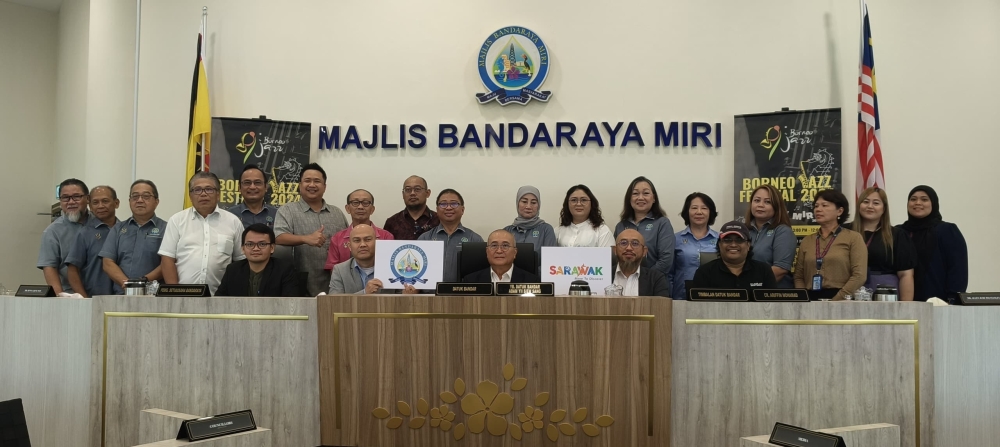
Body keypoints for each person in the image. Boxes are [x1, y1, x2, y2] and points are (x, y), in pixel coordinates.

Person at [159, 172, 246, 295]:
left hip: (221, 297)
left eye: (209, 189)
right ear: (190, 196)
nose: (203, 194)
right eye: (197, 190)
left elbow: (241, 262)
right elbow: (167, 259)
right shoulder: (177, 220)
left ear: (218, 194)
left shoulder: (233, 222)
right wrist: (175, 294)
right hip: (183, 296)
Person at [273, 163, 349, 296]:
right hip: (301, 280)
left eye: (317, 181)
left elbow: (347, 241)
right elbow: (279, 237)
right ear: (300, 185)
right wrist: (305, 238)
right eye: (307, 180)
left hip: (335, 281)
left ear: (324, 187)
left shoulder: (337, 213)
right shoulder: (287, 210)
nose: (312, 185)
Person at [794, 189, 867, 300]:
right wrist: (804, 298)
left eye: (824, 205)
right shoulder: (807, 240)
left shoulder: (853, 238)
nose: (818, 209)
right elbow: (798, 276)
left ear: (839, 211)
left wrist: (837, 300)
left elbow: (859, 275)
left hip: (841, 298)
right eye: (816, 206)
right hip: (810, 299)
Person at [899, 185, 968, 302]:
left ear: (933, 203)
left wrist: (952, 299)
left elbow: (957, 269)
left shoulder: (946, 230)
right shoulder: (899, 232)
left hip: (939, 302)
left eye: (924, 199)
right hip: (902, 301)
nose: (918, 203)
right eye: (913, 199)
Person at [100, 180, 167, 294]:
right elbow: (107, 262)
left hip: (154, 295)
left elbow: (167, 263)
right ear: (129, 201)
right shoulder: (118, 229)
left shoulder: (166, 228)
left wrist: (141, 282)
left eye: (146, 196)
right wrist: (128, 285)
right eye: (135, 196)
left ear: (156, 202)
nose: (139, 200)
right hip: (122, 294)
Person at [851, 187, 917, 301]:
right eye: (865, 202)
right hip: (849, 289)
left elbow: (905, 275)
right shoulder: (845, 231)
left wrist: (906, 306)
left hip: (885, 292)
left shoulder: (897, 235)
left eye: (876, 203)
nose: (870, 206)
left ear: (884, 208)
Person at [614, 176, 676, 288]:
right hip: (623, 283)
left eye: (646, 193)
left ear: (654, 198)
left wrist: (646, 279)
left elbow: (666, 260)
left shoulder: (662, 223)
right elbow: (616, 257)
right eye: (635, 193)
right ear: (629, 199)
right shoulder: (621, 226)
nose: (640, 198)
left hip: (653, 284)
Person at [215, 224, 305, 297]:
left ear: (272, 248)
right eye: (250, 244)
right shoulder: (233, 270)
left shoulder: (285, 270)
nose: (256, 249)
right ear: (243, 249)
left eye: (262, 244)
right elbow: (219, 301)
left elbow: (290, 304)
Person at [691, 221, 777, 294]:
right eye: (727, 240)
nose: (733, 245)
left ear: (748, 245)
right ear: (719, 245)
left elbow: (772, 305)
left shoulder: (764, 271)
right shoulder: (704, 272)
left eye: (739, 240)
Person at [37, 178, 91, 294]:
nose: (71, 202)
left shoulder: (101, 224)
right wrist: (60, 297)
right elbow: (49, 267)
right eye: (65, 198)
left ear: (87, 199)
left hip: (103, 295)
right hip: (71, 296)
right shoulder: (52, 232)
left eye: (76, 197)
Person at [329, 224, 417, 294]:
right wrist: (364, 293)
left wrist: (406, 295)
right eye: (357, 240)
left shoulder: (393, 267)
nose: (362, 244)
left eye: (367, 239)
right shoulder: (339, 270)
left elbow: (399, 297)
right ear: (349, 246)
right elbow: (334, 303)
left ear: (377, 242)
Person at [418, 189, 483, 283]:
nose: (448, 208)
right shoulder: (425, 239)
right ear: (437, 210)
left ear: (462, 210)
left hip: (463, 292)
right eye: (443, 204)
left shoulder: (475, 239)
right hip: (431, 292)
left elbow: (480, 274)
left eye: (454, 204)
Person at [65, 186, 119, 297]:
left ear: (116, 203)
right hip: (94, 298)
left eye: (105, 201)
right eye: (95, 202)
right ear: (90, 206)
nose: (100, 206)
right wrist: (84, 300)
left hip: (124, 297)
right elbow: (72, 270)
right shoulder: (84, 233)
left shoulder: (126, 231)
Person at [324, 189, 394, 270]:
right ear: (347, 208)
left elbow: (389, 267)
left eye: (365, 203)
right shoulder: (337, 238)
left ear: (372, 209)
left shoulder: (386, 237)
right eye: (355, 202)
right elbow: (333, 269)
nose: (360, 207)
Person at [743, 185, 797, 288]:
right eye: (757, 200)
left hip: (773, 293)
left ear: (776, 206)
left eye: (767, 202)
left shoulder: (783, 231)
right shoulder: (744, 230)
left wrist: (750, 285)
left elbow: (780, 270)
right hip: (746, 291)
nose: (760, 205)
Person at [670, 192, 719, 300]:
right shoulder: (675, 239)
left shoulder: (720, 240)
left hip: (712, 297)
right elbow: (669, 273)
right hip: (681, 297)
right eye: (694, 208)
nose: (699, 212)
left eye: (704, 208)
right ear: (687, 212)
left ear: (710, 212)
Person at [462, 229, 540, 283]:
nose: (499, 251)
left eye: (505, 246)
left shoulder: (532, 281)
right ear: (487, 252)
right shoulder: (470, 281)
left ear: (515, 252)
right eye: (494, 245)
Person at [611, 229, 670, 297]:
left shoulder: (656, 278)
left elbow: (662, 303)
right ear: (615, 250)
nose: (629, 248)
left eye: (635, 243)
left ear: (644, 251)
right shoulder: (604, 274)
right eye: (623, 243)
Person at [504, 186, 557, 260]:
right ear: (517, 203)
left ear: (538, 205)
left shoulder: (546, 230)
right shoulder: (507, 231)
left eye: (533, 202)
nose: (528, 206)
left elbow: (550, 260)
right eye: (524, 202)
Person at [383, 175, 439, 240]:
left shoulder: (439, 220)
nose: (412, 193)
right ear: (403, 194)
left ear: (427, 193)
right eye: (408, 190)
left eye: (417, 189)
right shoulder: (392, 222)